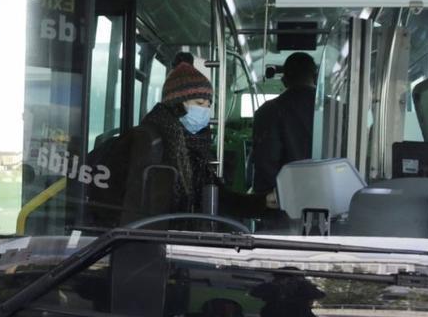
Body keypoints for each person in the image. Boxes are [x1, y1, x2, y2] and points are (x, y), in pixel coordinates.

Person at [92, 60, 265, 227]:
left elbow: (221, 200)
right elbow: (109, 202)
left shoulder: (195, 151)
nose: (205, 110)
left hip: (175, 241)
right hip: (142, 245)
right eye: (199, 103)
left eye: (208, 104)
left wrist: (264, 203)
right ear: (177, 105)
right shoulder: (143, 142)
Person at [252, 52, 318, 197]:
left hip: (282, 201)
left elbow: (265, 161)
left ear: (284, 80)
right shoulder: (336, 110)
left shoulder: (268, 111)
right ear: (316, 76)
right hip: (330, 197)